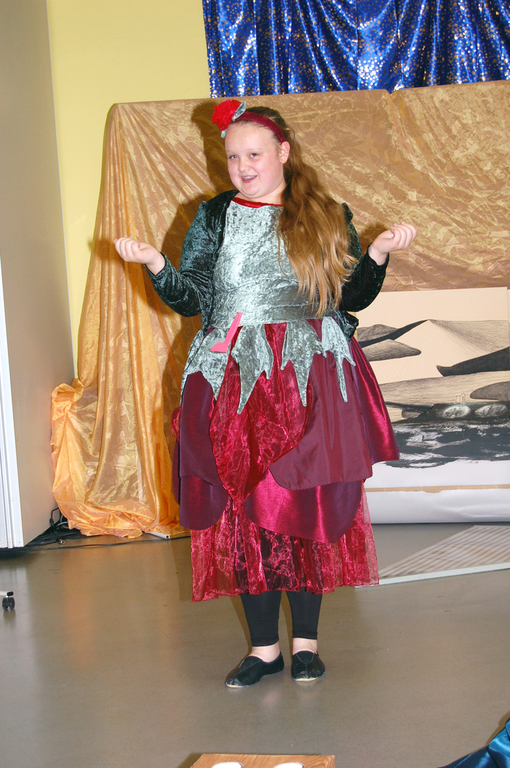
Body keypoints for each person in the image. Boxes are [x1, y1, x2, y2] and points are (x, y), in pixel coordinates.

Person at [114, 99, 417, 688]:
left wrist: (378, 253)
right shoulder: (214, 216)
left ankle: (306, 645)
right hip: (236, 378)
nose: (242, 166)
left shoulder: (327, 214)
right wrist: (154, 263)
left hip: (309, 375)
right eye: (233, 157)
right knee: (243, 505)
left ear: (283, 152)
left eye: (253, 154)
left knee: (306, 503)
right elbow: (191, 298)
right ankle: (264, 650)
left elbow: (350, 296)